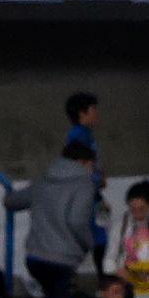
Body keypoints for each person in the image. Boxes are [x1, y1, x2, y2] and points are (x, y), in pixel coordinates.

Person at [4, 141, 97, 298]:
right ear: (85, 163)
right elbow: (77, 220)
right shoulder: (84, 183)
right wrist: (88, 242)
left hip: (35, 258)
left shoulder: (44, 178)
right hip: (63, 260)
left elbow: (11, 201)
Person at [65, 89, 108, 270]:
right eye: (93, 110)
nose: (96, 114)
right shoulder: (77, 136)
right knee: (90, 241)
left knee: (100, 240)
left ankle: (102, 281)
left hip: (92, 196)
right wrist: (96, 180)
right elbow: (80, 167)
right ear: (83, 113)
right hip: (84, 197)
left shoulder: (87, 135)